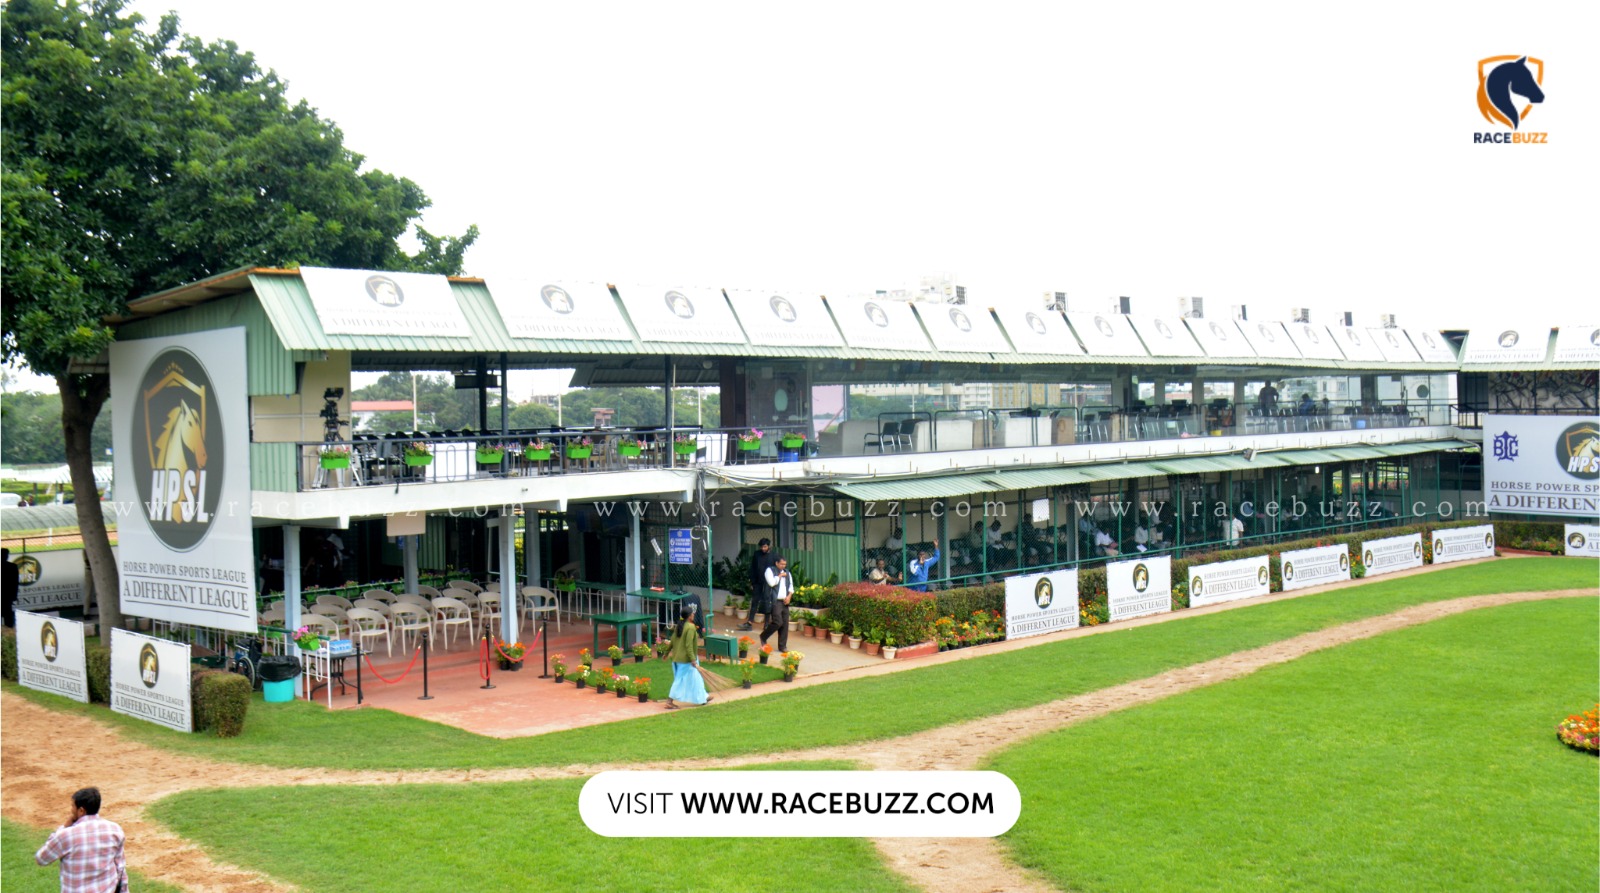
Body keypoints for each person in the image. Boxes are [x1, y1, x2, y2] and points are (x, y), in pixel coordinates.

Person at [35, 787, 127, 893]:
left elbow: (41, 858)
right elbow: (120, 868)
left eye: (73, 806)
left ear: (81, 810)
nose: (71, 810)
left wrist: (63, 828)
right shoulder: (114, 830)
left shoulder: (66, 835)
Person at [664, 606, 709, 710]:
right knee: (679, 680)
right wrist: (693, 660)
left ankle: (703, 697)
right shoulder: (691, 627)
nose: (694, 615)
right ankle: (669, 701)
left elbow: (673, 640)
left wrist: (666, 653)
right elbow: (688, 646)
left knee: (696, 677)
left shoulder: (679, 626)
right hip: (686, 659)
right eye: (692, 614)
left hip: (678, 657)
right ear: (689, 616)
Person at [737, 539, 774, 631]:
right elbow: (753, 567)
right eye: (761, 547)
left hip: (768, 583)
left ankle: (766, 624)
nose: (763, 548)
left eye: (765, 546)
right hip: (757, 582)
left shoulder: (773, 556)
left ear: (768, 546)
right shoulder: (757, 554)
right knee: (754, 601)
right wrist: (752, 581)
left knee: (766, 602)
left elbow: (776, 569)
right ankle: (749, 623)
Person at [760, 556, 794, 652]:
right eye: (781, 564)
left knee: (785, 624)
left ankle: (782, 646)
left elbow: (791, 586)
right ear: (776, 563)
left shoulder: (787, 572)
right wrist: (779, 576)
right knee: (778, 622)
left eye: (785, 564)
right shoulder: (769, 570)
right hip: (775, 601)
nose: (783, 566)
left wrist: (789, 596)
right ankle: (763, 636)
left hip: (785, 601)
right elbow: (771, 583)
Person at [2, 548, 18, 628]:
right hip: (7, 597)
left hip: (6, 596)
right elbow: (15, 583)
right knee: (8, 618)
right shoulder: (12, 567)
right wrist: (14, 596)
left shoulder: (12, 567)